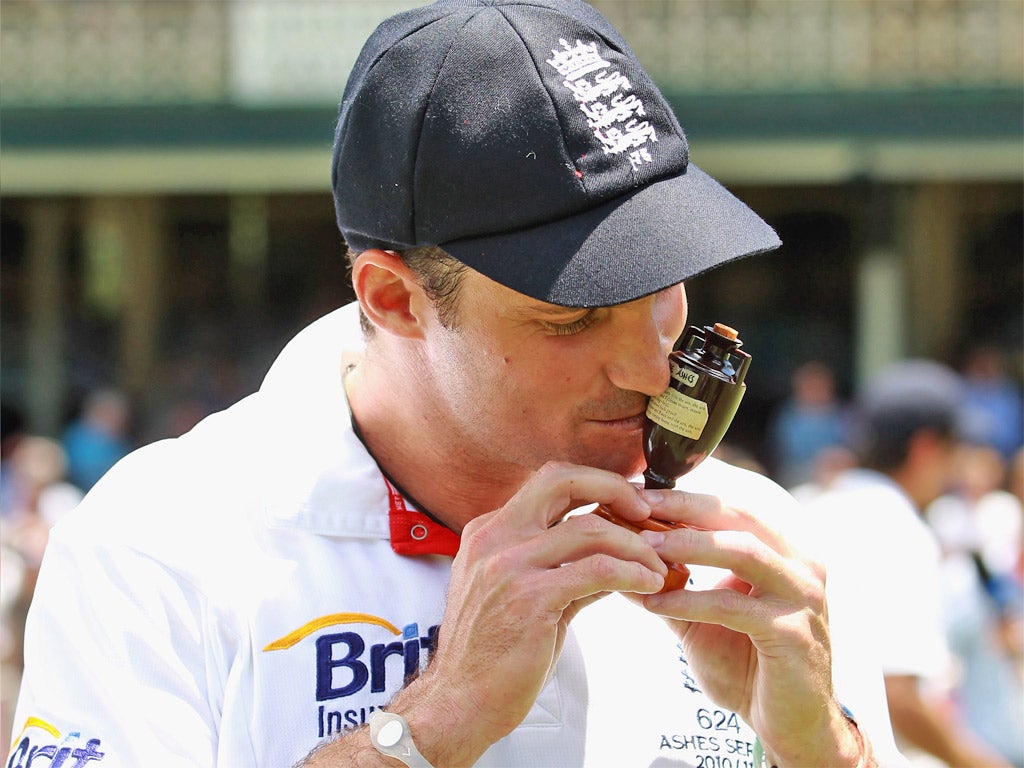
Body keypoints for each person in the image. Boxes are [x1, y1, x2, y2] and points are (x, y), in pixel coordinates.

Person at [10, 2, 898, 766]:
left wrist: (822, 745)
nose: (652, 367)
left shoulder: (757, 538)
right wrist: (432, 724)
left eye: (664, 288)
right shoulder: (162, 546)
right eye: (572, 317)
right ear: (395, 299)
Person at [805, 360, 1012, 768]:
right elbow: (899, 695)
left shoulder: (815, 505)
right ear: (926, 448)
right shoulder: (900, 530)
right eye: (956, 450)